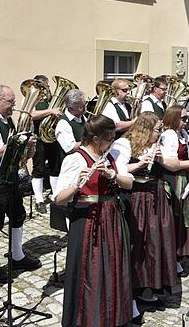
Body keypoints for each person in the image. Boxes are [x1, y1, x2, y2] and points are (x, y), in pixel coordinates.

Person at [55, 115, 133, 327]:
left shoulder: (110, 155)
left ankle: (113, 315)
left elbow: (128, 184)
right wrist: (77, 185)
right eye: (109, 139)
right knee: (90, 269)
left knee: (113, 266)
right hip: (87, 220)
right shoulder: (75, 159)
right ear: (97, 138)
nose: (111, 143)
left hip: (111, 216)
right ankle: (88, 318)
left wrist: (112, 175)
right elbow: (59, 198)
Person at [0, 85, 42, 284]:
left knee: (18, 216)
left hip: (10, 178)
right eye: (11, 102)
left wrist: (29, 147)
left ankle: (17, 255)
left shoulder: (6, 120)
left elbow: (17, 153)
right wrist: (20, 141)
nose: (14, 106)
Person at [110, 113, 175, 308]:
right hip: (136, 199)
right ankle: (135, 288)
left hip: (155, 197)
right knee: (139, 244)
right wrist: (141, 162)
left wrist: (161, 159)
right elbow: (118, 171)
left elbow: (172, 164)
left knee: (155, 243)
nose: (160, 133)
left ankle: (150, 286)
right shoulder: (124, 144)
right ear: (145, 129)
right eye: (157, 130)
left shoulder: (156, 144)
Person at [159, 105, 189, 263]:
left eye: (187, 118)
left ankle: (184, 251)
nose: (186, 121)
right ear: (174, 118)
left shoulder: (182, 133)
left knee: (188, 213)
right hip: (174, 179)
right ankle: (175, 255)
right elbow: (170, 163)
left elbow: (183, 156)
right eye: (183, 118)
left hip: (185, 176)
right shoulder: (169, 135)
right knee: (178, 216)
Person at [29, 74, 62, 214]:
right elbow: (31, 114)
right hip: (39, 138)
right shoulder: (31, 97)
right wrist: (50, 111)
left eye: (47, 86)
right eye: (45, 86)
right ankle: (39, 200)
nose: (48, 88)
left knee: (55, 168)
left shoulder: (51, 99)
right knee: (39, 169)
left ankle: (55, 195)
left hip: (52, 137)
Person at [48, 89, 87, 198]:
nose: (85, 107)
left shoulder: (83, 117)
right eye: (82, 106)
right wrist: (90, 140)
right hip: (71, 169)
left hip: (83, 164)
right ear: (72, 107)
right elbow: (70, 148)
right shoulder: (63, 123)